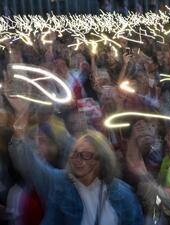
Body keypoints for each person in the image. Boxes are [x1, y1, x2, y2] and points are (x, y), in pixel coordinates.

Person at [7, 96, 144, 225]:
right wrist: (21, 114)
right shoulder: (61, 184)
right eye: (75, 154)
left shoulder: (123, 196)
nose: (77, 160)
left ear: (102, 160)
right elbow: (28, 164)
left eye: (85, 155)